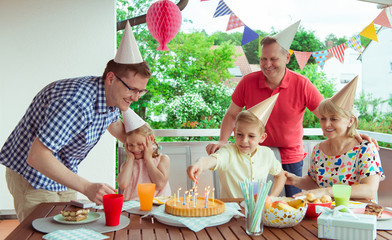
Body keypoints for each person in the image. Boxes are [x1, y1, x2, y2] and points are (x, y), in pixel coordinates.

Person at [205, 21, 377, 197]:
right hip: (254, 154)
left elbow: (329, 115)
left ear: (287, 58)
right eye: (263, 59)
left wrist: (352, 133)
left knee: (292, 205)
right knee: (253, 203)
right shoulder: (247, 82)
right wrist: (222, 141)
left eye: (273, 59)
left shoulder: (302, 84)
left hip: (291, 158)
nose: (267, 64)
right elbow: (232, 114)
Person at [0, 21, 150, 221]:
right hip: (32, 175)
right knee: (42, 233)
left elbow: (114, 125)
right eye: (132, 89)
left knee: (69, 228)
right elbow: (37, 157)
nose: (136, 97)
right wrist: (87, 187)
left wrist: (145, 145)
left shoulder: (111, 99)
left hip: (62, 172)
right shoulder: (76, 103)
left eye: (141, 91)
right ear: (111, 78)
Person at [285, 76, 385, 200]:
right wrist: (295, 180)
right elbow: (316, 184)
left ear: (350, 121)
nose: (327, 124)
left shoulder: (365, 148)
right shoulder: (318, 150)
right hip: (325, 213)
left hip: (356, 214)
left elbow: (369, 190)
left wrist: (327, 192)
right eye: (323, 118)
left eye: (333, 119)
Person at [187, 95, 286, 198]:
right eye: (239, 134)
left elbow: (281, 175)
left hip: (258, 211)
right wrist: (200, 164)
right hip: (232, 211)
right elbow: (211, 160)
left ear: (262, 137)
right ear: (234, 132)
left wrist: (272, 197)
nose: (244, 140)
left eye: (251, 136)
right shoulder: (228, 152)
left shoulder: (267, 154)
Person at [117, 109, 171, 201]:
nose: (135, 149)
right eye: (131, 145)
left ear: (151, 139)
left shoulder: (162, 159)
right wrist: (130, 158)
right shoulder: (127, 165)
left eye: (139, 144)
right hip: (133, 209)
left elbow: (160, 184)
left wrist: (148, 159)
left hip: (156, 206)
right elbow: (122, 184)